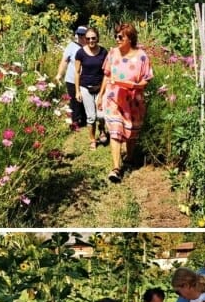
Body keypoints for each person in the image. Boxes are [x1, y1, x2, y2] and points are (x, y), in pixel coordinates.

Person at [99, 23, 153, 183]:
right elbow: (107, 75)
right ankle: (116, 168)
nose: (117, 39)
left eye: (120, 36)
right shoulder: (112, 53)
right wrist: (100, 95)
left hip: (133, 101)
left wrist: (136, 86)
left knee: (131, 132)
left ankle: (129, 158)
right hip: (113, 98)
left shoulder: (142, 56)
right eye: (116, 35)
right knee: (115, 129)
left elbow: (146, 79)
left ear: (130, 38)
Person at [72, 26, 109, 148]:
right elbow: (77, 72)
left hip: (100, 87)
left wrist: (103, 92)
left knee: (101, 115)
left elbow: (106, 73)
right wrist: (77, 91)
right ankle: (92, 139)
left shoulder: (104, 52)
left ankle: (102, 129)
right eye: (88, 39)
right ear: (85, 39)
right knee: (91, 116)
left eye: (93, 38)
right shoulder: (81, 53)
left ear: (97, 38)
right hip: (85, 87)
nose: (91, 41)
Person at [55, 26, 87, 132]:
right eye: (79, 35)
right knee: (74, 101)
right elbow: (64, 61)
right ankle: (74, 122)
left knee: (84, 100)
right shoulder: (72, 46)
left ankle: (84, 119)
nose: (81, 37)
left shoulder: (90, 46)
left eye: (83, 35)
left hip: (85, 79)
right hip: (71, 79)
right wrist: (59, 74)